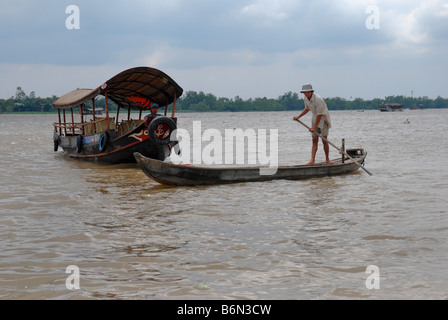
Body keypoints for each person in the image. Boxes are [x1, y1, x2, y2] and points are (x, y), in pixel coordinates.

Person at [293, 84, 333, 165]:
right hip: (315, 118)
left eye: (307, 92)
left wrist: (314, 127)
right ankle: (312, 160)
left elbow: (320, 114)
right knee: (314, 140)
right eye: (304, 92)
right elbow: (307, 108)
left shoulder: (318, 99)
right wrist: (298, 117)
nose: (306, 94)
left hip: (323, 118)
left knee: (324, 140)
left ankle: (327, 159)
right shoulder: (306, 99)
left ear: (311, 92)